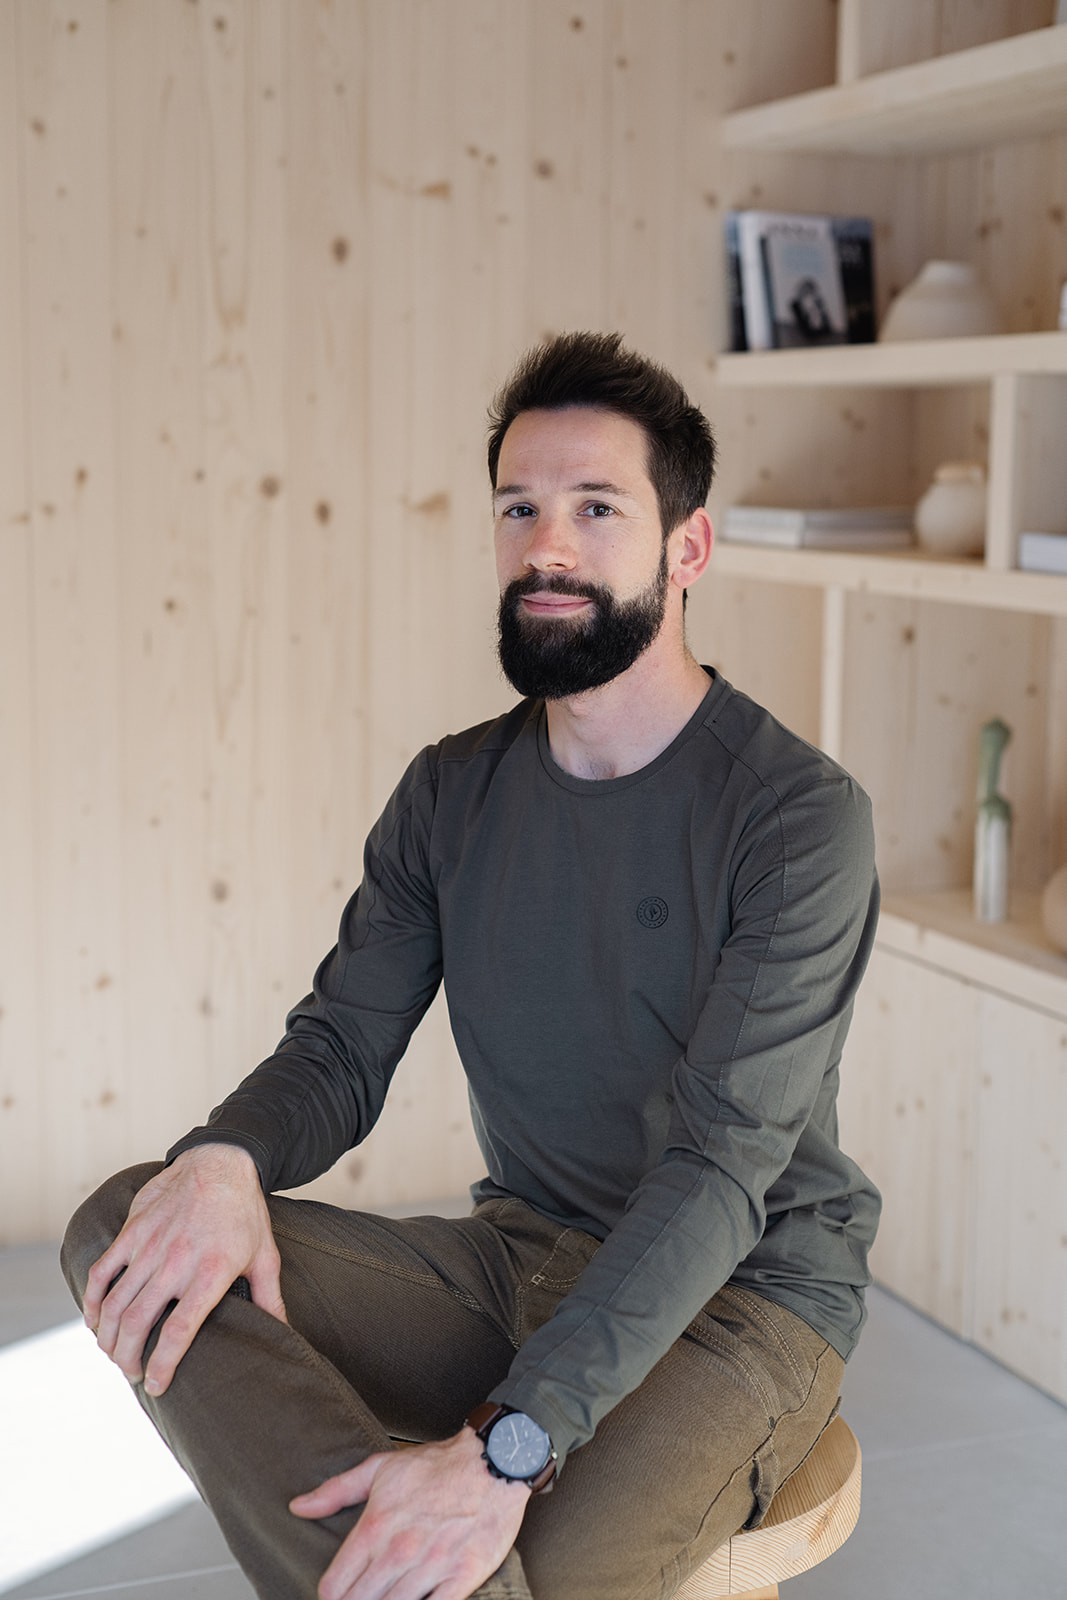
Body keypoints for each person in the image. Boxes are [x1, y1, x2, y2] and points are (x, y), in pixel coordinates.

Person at [63, 331, 881, 1600]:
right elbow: (339, 1048)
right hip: (518, 1259)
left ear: (687, 547)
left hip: (743, 1301)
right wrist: (226, 1157)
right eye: (518, 508)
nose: (544, 546)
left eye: (595, 508)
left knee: (518, 1563)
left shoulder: (793, 816)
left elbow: (723, 1170)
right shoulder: (452, 791)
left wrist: (505, 1445)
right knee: (138, 1222)